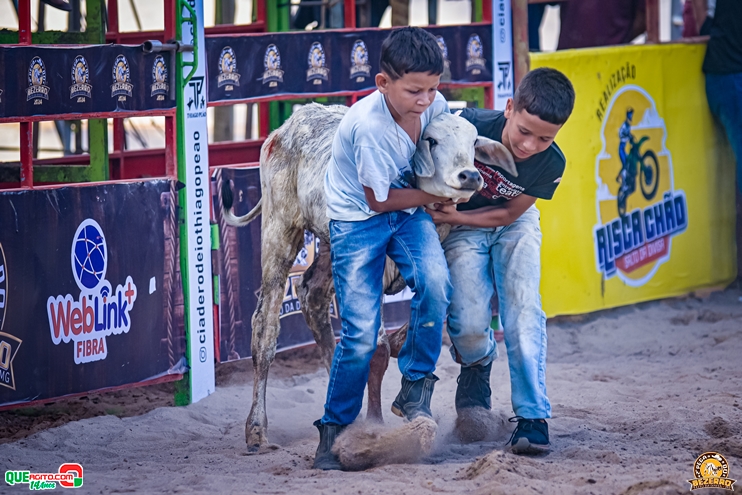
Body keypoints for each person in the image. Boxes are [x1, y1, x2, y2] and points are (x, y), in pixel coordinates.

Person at [313, 27, 453, 470]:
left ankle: (415, 388)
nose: (426, 99)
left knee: (436, 282)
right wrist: (435, 197)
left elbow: (443, 156)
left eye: (433, 88)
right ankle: (333, 429)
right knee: (358, 333)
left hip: (406, 209)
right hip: (358, 218)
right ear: (382, 83)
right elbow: (378, 200)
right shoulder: (369, 126)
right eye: (415, 90)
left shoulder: (437, 106)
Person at [427, 67, 575, 455]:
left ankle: (532, 417)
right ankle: (476, 364)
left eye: (545, 138)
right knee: (469, 320)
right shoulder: (468, 126)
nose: (529, 145)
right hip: (463, 229)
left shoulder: (551, 164)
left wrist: (455, 216)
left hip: (511, 224)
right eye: (525, 131)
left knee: (523, 308)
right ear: (509, 108)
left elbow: (510, 214)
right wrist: (451, 216)